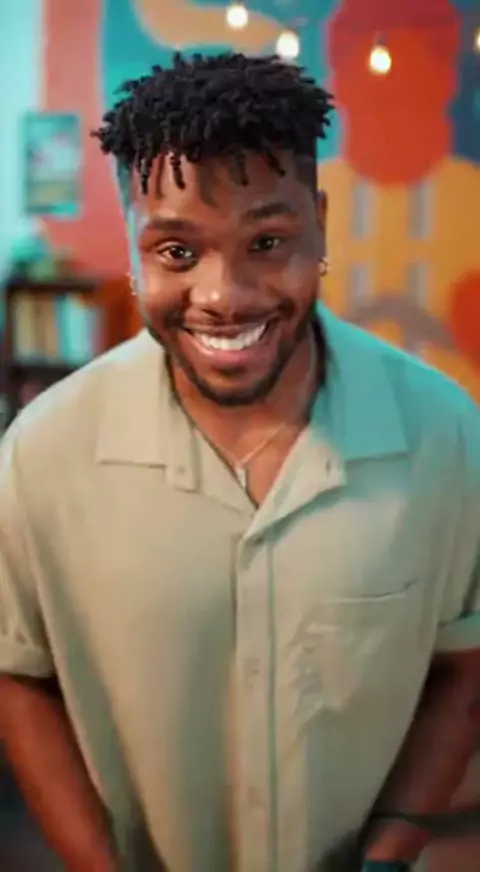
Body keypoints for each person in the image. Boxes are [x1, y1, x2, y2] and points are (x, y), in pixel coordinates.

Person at [0, 52, 478, 872]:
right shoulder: (41, 455)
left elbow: (462, 666)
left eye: (267, 241)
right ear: (133, 247)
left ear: (319, 224)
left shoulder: (446, 434)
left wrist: (391, 849)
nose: (225, 295)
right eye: (177, 252)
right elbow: (19, 673)